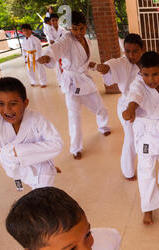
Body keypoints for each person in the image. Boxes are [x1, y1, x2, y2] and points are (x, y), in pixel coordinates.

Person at [38, 11, 111, 160]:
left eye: (81, 29)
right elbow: (56, 47)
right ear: (70, 28)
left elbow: (85, 64)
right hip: (71, 83)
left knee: (101, 108)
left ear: (86, 26)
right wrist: (48, 56)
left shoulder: (87, 41)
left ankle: (103, 126)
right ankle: (75, 148)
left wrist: (96, 66)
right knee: (74, 117)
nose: (78, 32)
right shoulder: (66, 39)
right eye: (74, 29)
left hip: (85, 80)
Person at [122, 51, 159, 225]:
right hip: (147, 132)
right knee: (146, 169)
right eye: (146, 74)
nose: (151, 79)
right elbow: (135, 97)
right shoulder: (138, 85)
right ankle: (148, 208)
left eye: (155, 74)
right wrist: (130, 109)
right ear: (140, 73)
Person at [0, 77, 63, 190]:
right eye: (0, 104)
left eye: (13, 103)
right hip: (14, 167)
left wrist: (18, 152)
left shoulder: (36, 120)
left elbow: (57, 144)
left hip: (40, 169)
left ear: (25, 103)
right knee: (20, 175)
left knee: (42, 199)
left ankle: (48, 166)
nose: (7, 110)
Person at [96, 33, 145, 181]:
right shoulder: (123, 62)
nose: (131, 55)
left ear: (142, 49)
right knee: (130, 138)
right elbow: (113, 64)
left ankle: (146, 161)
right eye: (127, 51)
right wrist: (106, 68)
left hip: (144, 105)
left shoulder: (146, 61)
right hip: (126, 106)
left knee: (145, 135)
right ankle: (128, 171)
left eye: (135, 51)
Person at [20, 24, 47, 88]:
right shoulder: (23, 40)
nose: (26, 32)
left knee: (40, 69)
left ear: (31, 31)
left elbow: (39, 49)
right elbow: (23, 50)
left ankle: (43, 82)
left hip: (36, 56)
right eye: (24, 31)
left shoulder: (35, 39)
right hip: (28, 57)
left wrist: (39, 57)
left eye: (27, 30)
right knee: (29, 70)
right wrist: (25, 59)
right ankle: (33, 81)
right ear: (22, 32)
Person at [45, 13, 66, 85]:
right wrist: (58, 41)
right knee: (57, 67)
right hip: (55, 50)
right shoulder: (49, 30)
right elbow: (51, 41)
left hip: (63, 49)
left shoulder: (62, 29)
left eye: (56, 20)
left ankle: (66, 80)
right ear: (50, 21)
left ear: (58, 20)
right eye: (53, 20)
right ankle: (60, 82)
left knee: (65, 65)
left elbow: (64, 40)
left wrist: (57, 41)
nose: (54, 22)